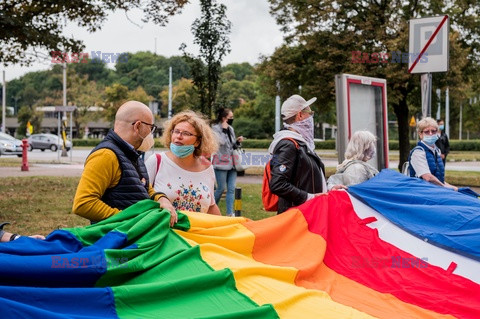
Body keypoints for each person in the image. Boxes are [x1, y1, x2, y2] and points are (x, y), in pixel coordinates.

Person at [72, 101, 178, 226]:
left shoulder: (131, 153)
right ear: (137, 126)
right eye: (151, 128)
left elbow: (144, 187)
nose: (151, 134)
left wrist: (161, 199)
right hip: (118, 239)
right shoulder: (105, 155)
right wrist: (128, 220)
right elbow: (83, 203)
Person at [268, 94, 336, 215]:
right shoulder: (288, 144)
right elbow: (278, 184)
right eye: (309, 113)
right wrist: (309, 197)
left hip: (308, 213)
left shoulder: (301, 142)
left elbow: (307, 178)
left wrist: (328, 189)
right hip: (298, 216)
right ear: (300, 115)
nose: (311, 117)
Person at [145, 111, 221, 215]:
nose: (179, 136)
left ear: (198, 141)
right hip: (164, 229)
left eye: (186, 133)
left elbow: (211, 207)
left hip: (197, 230)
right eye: (176, 131)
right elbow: (140, 197)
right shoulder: (157, 161)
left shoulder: (207, 167)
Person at [408, 117, 457, 191]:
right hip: (423, 193)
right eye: (427, 132)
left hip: (435, 191)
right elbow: (428, 177)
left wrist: (454, 188)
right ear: (420, 134)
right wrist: (445, 187)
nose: (430, 134)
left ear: (437, 132)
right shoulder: (418, 152)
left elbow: (439, 179)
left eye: (433, 131)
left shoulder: (437, 151)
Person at [212, 108, 243, 217]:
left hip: (233, 163)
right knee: (221, 188)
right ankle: (211, 209)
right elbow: (221, 142)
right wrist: (224, 131)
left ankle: (229, 213)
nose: (232, 119)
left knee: (231, 189)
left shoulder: (231, 128)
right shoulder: (215, 129)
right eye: (230, 117)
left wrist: (237, 142)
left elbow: (231, 145)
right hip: (221, 163)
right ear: (223, 118)